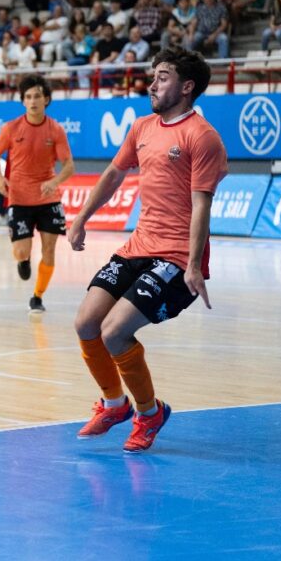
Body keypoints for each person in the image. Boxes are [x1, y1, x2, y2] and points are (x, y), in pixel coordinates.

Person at [68, 47, 227, 454]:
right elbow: (114, 173)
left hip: (174, 257)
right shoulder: (142, 127)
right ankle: (114, 404)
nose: (152, 83)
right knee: (86, 323)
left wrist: (193, 265)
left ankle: (149, 412)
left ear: (187, 87)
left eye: (162, 76)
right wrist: (82, 217)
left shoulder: (202, 136)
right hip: (138, 245)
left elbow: (201, 206)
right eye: (153, 75)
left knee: (115, 331)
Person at [0, 75, 74, 313]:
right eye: (28, 97)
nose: (33, 100)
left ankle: (37, 296)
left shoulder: (56, 130)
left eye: (37, 96)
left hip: (49, 198)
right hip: (19, 198)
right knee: (21, 250)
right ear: (23, 101)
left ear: (46, 100)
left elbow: (69, 166)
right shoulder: (11, 128)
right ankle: (23, 261)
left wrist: (54, 181)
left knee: (49, 250)